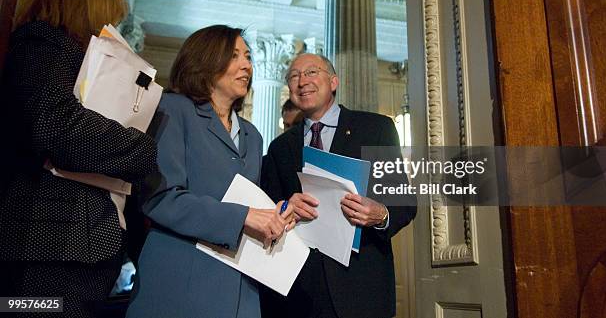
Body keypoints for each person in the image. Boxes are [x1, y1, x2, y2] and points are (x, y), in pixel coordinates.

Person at [0, 0, 158, 317]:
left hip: (74, 250)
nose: (110, 30)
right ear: (85, 7)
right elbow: (56, 125)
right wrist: (142, 148)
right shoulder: (42, 43)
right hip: (45, 248)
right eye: (108, 18)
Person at [126, 25, 296, 318]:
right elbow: (161, 199)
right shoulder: (172, 109)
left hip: (242, 290)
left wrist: (278, 213)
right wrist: (243, 216)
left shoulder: (253, 136)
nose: (247, 65)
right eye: (234, 56)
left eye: (248, 56)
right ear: (205, 60)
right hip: (181, 283)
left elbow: (253, 203)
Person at [260, 53, 417, 318]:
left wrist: (380, 215)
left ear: (333, 82)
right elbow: (269, 212)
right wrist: (287, 207)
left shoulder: (375, 128)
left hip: (361, 290)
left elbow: (403, 201)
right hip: (299, 293)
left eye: (311, 72)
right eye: (294, 76)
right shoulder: (280, 148)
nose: (302, 81)